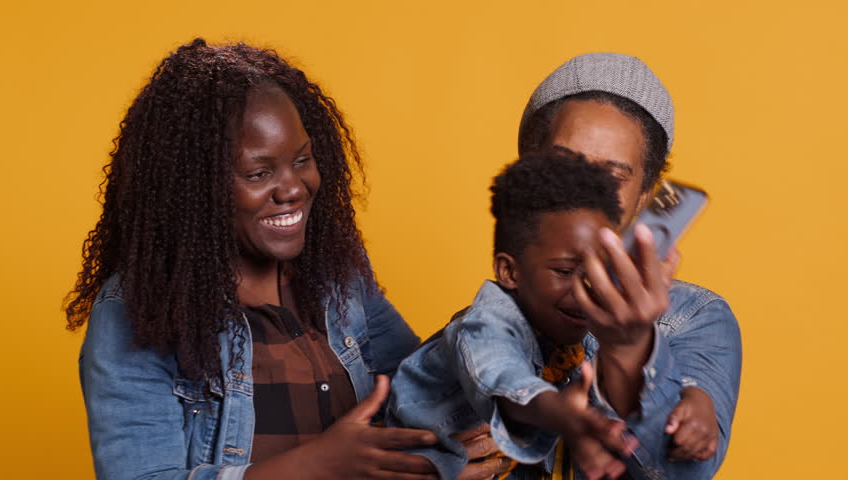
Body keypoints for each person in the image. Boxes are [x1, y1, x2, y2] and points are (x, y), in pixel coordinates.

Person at [65, 38, 508, 480]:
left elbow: (416, 399)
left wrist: (503, 329)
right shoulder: (137, 310)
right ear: (195, 188)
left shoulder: (338, 278)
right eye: (259, 173)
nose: (292, 188)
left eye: (302, 160)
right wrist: (318, 466)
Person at [517, 52, 742, 478]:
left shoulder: (696, 319)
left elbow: (683, 473)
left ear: (644, 196)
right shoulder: (488, 317)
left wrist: (630, 348)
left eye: (613, 177)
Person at [387, 150, 648, 480]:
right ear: (509, 271)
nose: (588, 288)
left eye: (601, 270)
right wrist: (561, 414)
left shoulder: (586, 329)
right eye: (565, 271)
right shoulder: (485, 324)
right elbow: (507, 382)